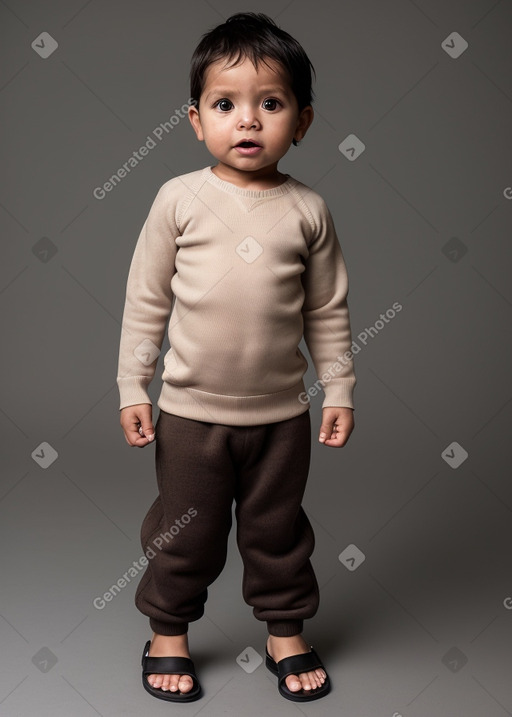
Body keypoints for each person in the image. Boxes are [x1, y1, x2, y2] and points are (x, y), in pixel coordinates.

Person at [117, 11, 356, 704]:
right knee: (184, 531)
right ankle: (167, 631)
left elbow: (328, 311)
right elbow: (145, 301)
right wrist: (133, 383)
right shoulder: (179, 201)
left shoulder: (308, 210)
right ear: (195, 120)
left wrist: (338, 390)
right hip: (191, 413)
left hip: (280, 415)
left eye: (270, 104)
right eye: (226, 105)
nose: (247, 122)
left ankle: (286, 629)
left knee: (277, 530)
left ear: (302, 122)